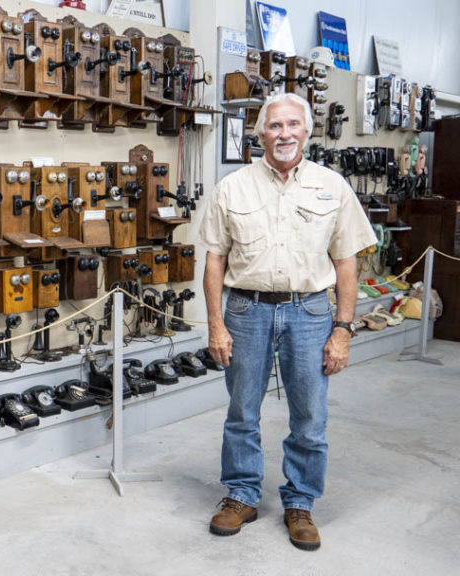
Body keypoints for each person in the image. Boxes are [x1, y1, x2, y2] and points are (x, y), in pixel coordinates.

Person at [198, 92, 376, 551]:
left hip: (311, 311)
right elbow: (214, 262)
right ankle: (241, 494)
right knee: (242, 411)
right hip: (246, 309)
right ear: (260, 134)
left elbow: (347, 264)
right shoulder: (232, 187)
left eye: (293, 125)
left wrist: (343, 329)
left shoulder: (332, 186)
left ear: (307, 131)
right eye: (275, 126)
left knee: (310, 416)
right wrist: (215, 324)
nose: (284, 134)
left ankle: (301, 501)